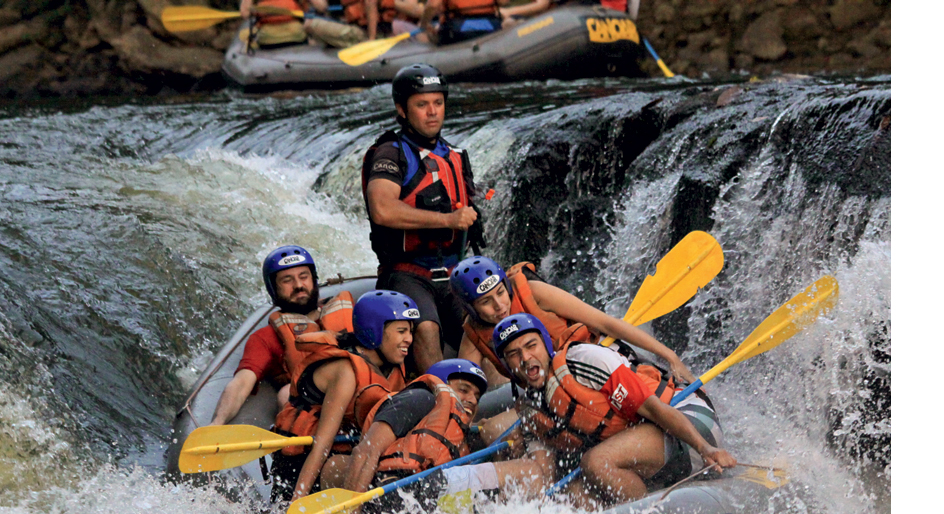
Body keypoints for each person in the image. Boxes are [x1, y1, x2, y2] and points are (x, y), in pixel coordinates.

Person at [492, 313, 737, 506]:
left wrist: (705, 448)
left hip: (689, 421)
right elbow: (544, 474)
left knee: (597, 462)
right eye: (514, 354)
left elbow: (653, 409)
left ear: (546, 345)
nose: (525, 358)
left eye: (531, 345)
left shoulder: (584, 360)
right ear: (507, 365)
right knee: (576, 494)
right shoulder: (529, 409)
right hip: (651, 450)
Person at [330, 358, 546, 514]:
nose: (471, 399)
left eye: (477, 396)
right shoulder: (420, 398)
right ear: (442, 384)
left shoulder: (461, 434)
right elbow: (365, 453)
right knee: (530, 470)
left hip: (423, 499)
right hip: (403, 490)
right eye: (463, 390)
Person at [362, 63, 485, 373]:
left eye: (438, 103)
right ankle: (440, 403)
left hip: (453, 272)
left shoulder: (455, 154)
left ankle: (500, 402)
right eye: (422, 104)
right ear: (402, 110)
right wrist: (447, 220)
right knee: (426, 328)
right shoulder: (391, 154)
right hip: (406, 272)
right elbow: (382, 209)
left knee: (485, 328)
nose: (432, 112)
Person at [449, 255, 695, 386]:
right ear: (471, 308)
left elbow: (607, 324)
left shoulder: (534, 292)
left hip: (602, 361)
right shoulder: (474, 333)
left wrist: (670, 355)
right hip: (553, 389)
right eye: (486, 302)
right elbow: (463, 387)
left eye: (501, 293)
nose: (500, 306)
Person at [270, 290, 416, 502]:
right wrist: (297, 503)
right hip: (301, 462)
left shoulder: (391, 370)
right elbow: (322, 443)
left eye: (410, 332)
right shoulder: (346, 371)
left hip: (345, 452)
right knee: (369, 470)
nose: (409, 339)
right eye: (401, 331)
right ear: (374, 330)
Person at [210, 245, 353, 426]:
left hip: (362, 394)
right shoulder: (266, 338)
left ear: (314, 279)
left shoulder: (350, 313)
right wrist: (217, 422)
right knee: (286, 393)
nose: (299, 285)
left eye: (304, 277)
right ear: (273, 289)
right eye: (287, 280)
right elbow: (241, 384)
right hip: (318, 409)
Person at [419, 0, 506, 45]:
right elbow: (503, 1)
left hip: (456, 32)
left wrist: (424, 24)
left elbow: (432, 6)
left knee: (430, 33)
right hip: (491, 27)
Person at [239, 0, 308, 47]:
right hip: (296, 35)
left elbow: (245, 14)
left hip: (268, 38)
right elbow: (305, 10)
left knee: (245, 35)